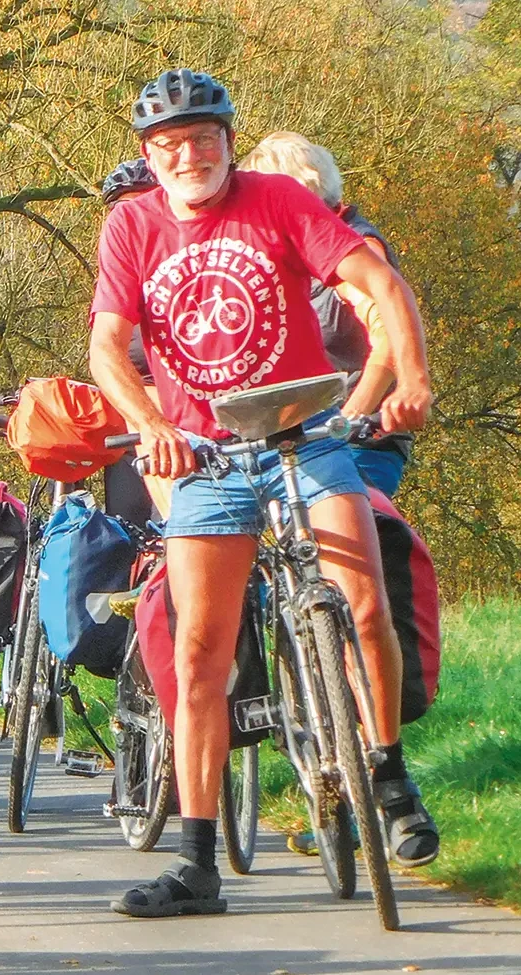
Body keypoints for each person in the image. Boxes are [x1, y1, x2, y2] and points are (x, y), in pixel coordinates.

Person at [87, 68, 436, 919]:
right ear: (148, 154)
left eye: (203, 140)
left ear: (229, 142)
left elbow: (381, 285)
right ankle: (199, 860)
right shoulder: (131, 225)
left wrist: (412, 377)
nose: (187, 156)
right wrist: (149, 420)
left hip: (304, 439)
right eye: (169, 145)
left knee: (361, 603)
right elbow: (106, 346)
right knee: (201, 650)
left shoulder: (278, 201)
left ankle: (387, 773)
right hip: (205, 454)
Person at [239, 131, 412, 496]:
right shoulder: (296, 253)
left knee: (340, 542)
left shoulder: (353, 247)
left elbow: (389, 339)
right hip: (302, 437)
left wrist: (350, 417)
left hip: (359, 440)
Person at [97, 158, 173, 524]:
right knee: (128, 530)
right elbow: (105, 352)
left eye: (146, 203)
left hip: (190, 424)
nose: (136, 218)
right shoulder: (116, 279)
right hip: (132, 421)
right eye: (123, 209)